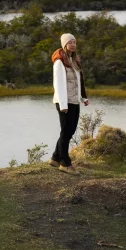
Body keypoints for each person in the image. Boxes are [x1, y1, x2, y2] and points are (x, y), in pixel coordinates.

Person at [50, 33, 89, 174]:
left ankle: (55, 158)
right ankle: (65, 163)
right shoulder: (59, 61)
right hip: (64, 102)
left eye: (74, 42)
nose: (72, 44)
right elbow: (58, 84)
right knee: (66, 132)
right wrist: (63, 105)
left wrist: (83, 98)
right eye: (69, 42)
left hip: (74, 100)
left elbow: (80, 81)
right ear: (64, 44)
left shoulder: (74, 60)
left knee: (69, 131)